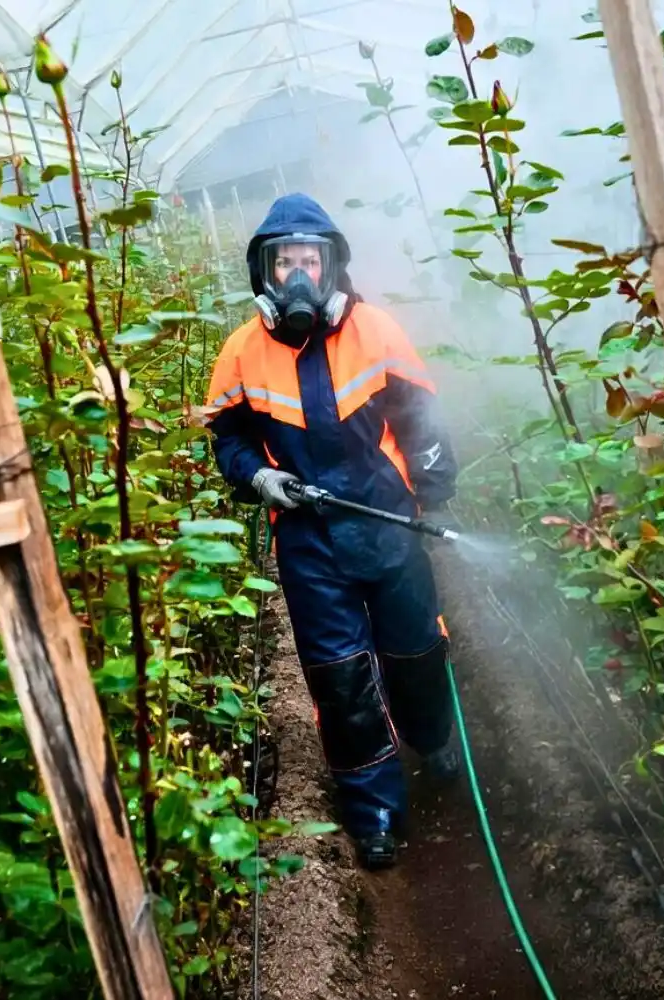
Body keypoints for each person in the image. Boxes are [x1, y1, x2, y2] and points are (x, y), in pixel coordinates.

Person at [205, 192, 459, 870]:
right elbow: (227, 439)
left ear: (331, 267)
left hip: (387, 523)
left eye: (308, 260)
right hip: (310, 540)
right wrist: (258, 478)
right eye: (283, 260)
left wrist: (431, 495)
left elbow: (420, 419)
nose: (297, 274)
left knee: (413, 651)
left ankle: (434, 741)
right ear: (264, 270)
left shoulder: (374, 330)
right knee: (341, 681)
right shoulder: (241, 351)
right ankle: (373, 807)